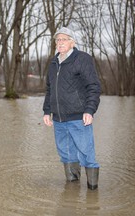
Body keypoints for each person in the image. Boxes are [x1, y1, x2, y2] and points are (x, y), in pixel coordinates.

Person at [42, 27, 101, 190]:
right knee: (66, 155)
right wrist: (47, 111)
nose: (60, 42)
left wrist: (90, 110)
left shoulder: (82, 59)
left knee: (87, 154)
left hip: (79, 118)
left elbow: (93, 86)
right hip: (58, 120)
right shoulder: (53, 63)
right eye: (57, 40)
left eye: (64, 39)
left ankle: (92, 190)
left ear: (72, 42)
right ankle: (72, 190)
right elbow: (49, 89)